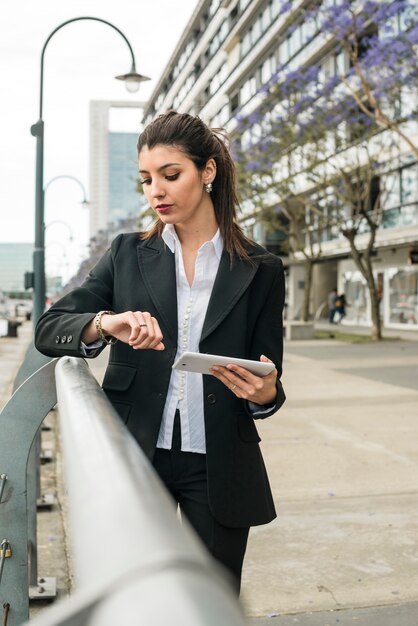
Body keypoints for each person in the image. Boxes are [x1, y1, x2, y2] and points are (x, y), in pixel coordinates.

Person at [35, 110, 286, 593]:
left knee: (210, 603)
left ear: (207, 171)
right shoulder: (127, 253)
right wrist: (106, 323)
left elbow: (270, 381)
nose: (156, 191)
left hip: (219, 465)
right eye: (147, 180)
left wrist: (264, 392)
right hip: (134, 454)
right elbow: (51, 327)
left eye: (171, 175)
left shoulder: (261, 268)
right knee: (132, 598)